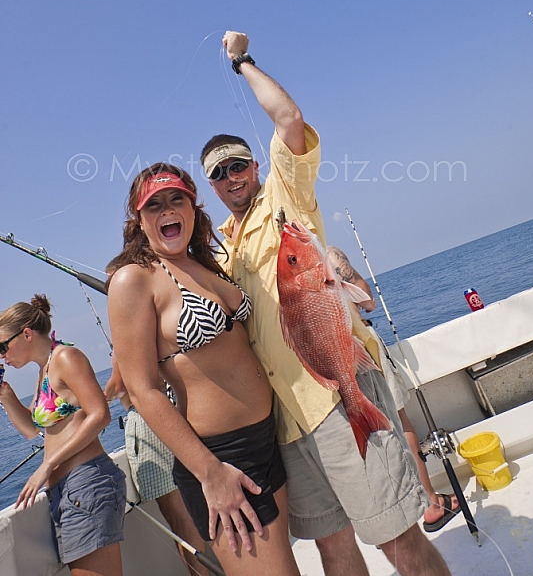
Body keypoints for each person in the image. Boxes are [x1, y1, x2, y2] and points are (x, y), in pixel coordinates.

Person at [199, 31, 452, 576]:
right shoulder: (223, 246)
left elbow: (288, 119)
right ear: (212, 187)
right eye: (217, 173)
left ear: (255, 167)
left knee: (397, 540)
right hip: (287, 424)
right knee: (333, 549)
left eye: (237, 165)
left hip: (339, 398)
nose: (230, 177)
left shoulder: (286, 199)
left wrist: (242, 61)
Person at [107, 164, 301, 576]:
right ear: (139, 220)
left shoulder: (205, 263)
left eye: (176, 198)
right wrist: (210, 473)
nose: (167, 210)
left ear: (193, 206)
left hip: (266, 438)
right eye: (153, 205)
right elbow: (143, 391)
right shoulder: (134, 280)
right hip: (221, 458)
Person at [327, 245, 460, 534]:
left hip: (331, 360)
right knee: (399, 421)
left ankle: (398, 513)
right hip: (363, 349)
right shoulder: (329, 254)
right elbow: (370, 303)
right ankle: (432, 504)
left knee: (369, 436)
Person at [0, 294, 126, 576]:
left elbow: (100, 414)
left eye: (2, 346)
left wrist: (46, 466)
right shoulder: (44, 370)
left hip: (87, 484)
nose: (2, 356)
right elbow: (33, 430)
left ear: (27, 334)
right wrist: (6, 395)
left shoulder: (66, 357)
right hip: (67, 492)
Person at [104, 353, 211, 576]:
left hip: (148, 420)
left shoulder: (126, 342)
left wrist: (94, 401)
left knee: (179, 518)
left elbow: (119, 385)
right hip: (171, 411)